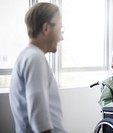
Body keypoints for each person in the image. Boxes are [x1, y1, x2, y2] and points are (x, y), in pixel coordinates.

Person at [9, 3, 67, 133]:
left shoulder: (27, 56)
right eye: (60, 29)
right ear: (46, 28)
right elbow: (39, 119)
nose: (62, 37)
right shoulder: (35, 58)